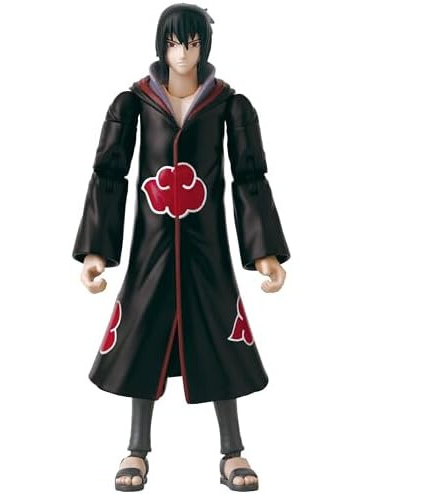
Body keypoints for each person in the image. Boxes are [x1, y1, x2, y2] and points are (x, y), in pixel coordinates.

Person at [73, 4, 290, 491]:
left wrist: (264, 252)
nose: (183, 53)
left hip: (207, 248)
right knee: (142, 336)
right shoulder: (134, 103)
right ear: (161, 45)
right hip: (150, 246)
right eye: (174, 42)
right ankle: (136, 449)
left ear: (204, 46)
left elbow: (249, 176)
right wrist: (95, 251)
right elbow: (110, 172)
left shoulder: (229, 105)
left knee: (220, 338)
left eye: (192, 43)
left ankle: (232, 451)